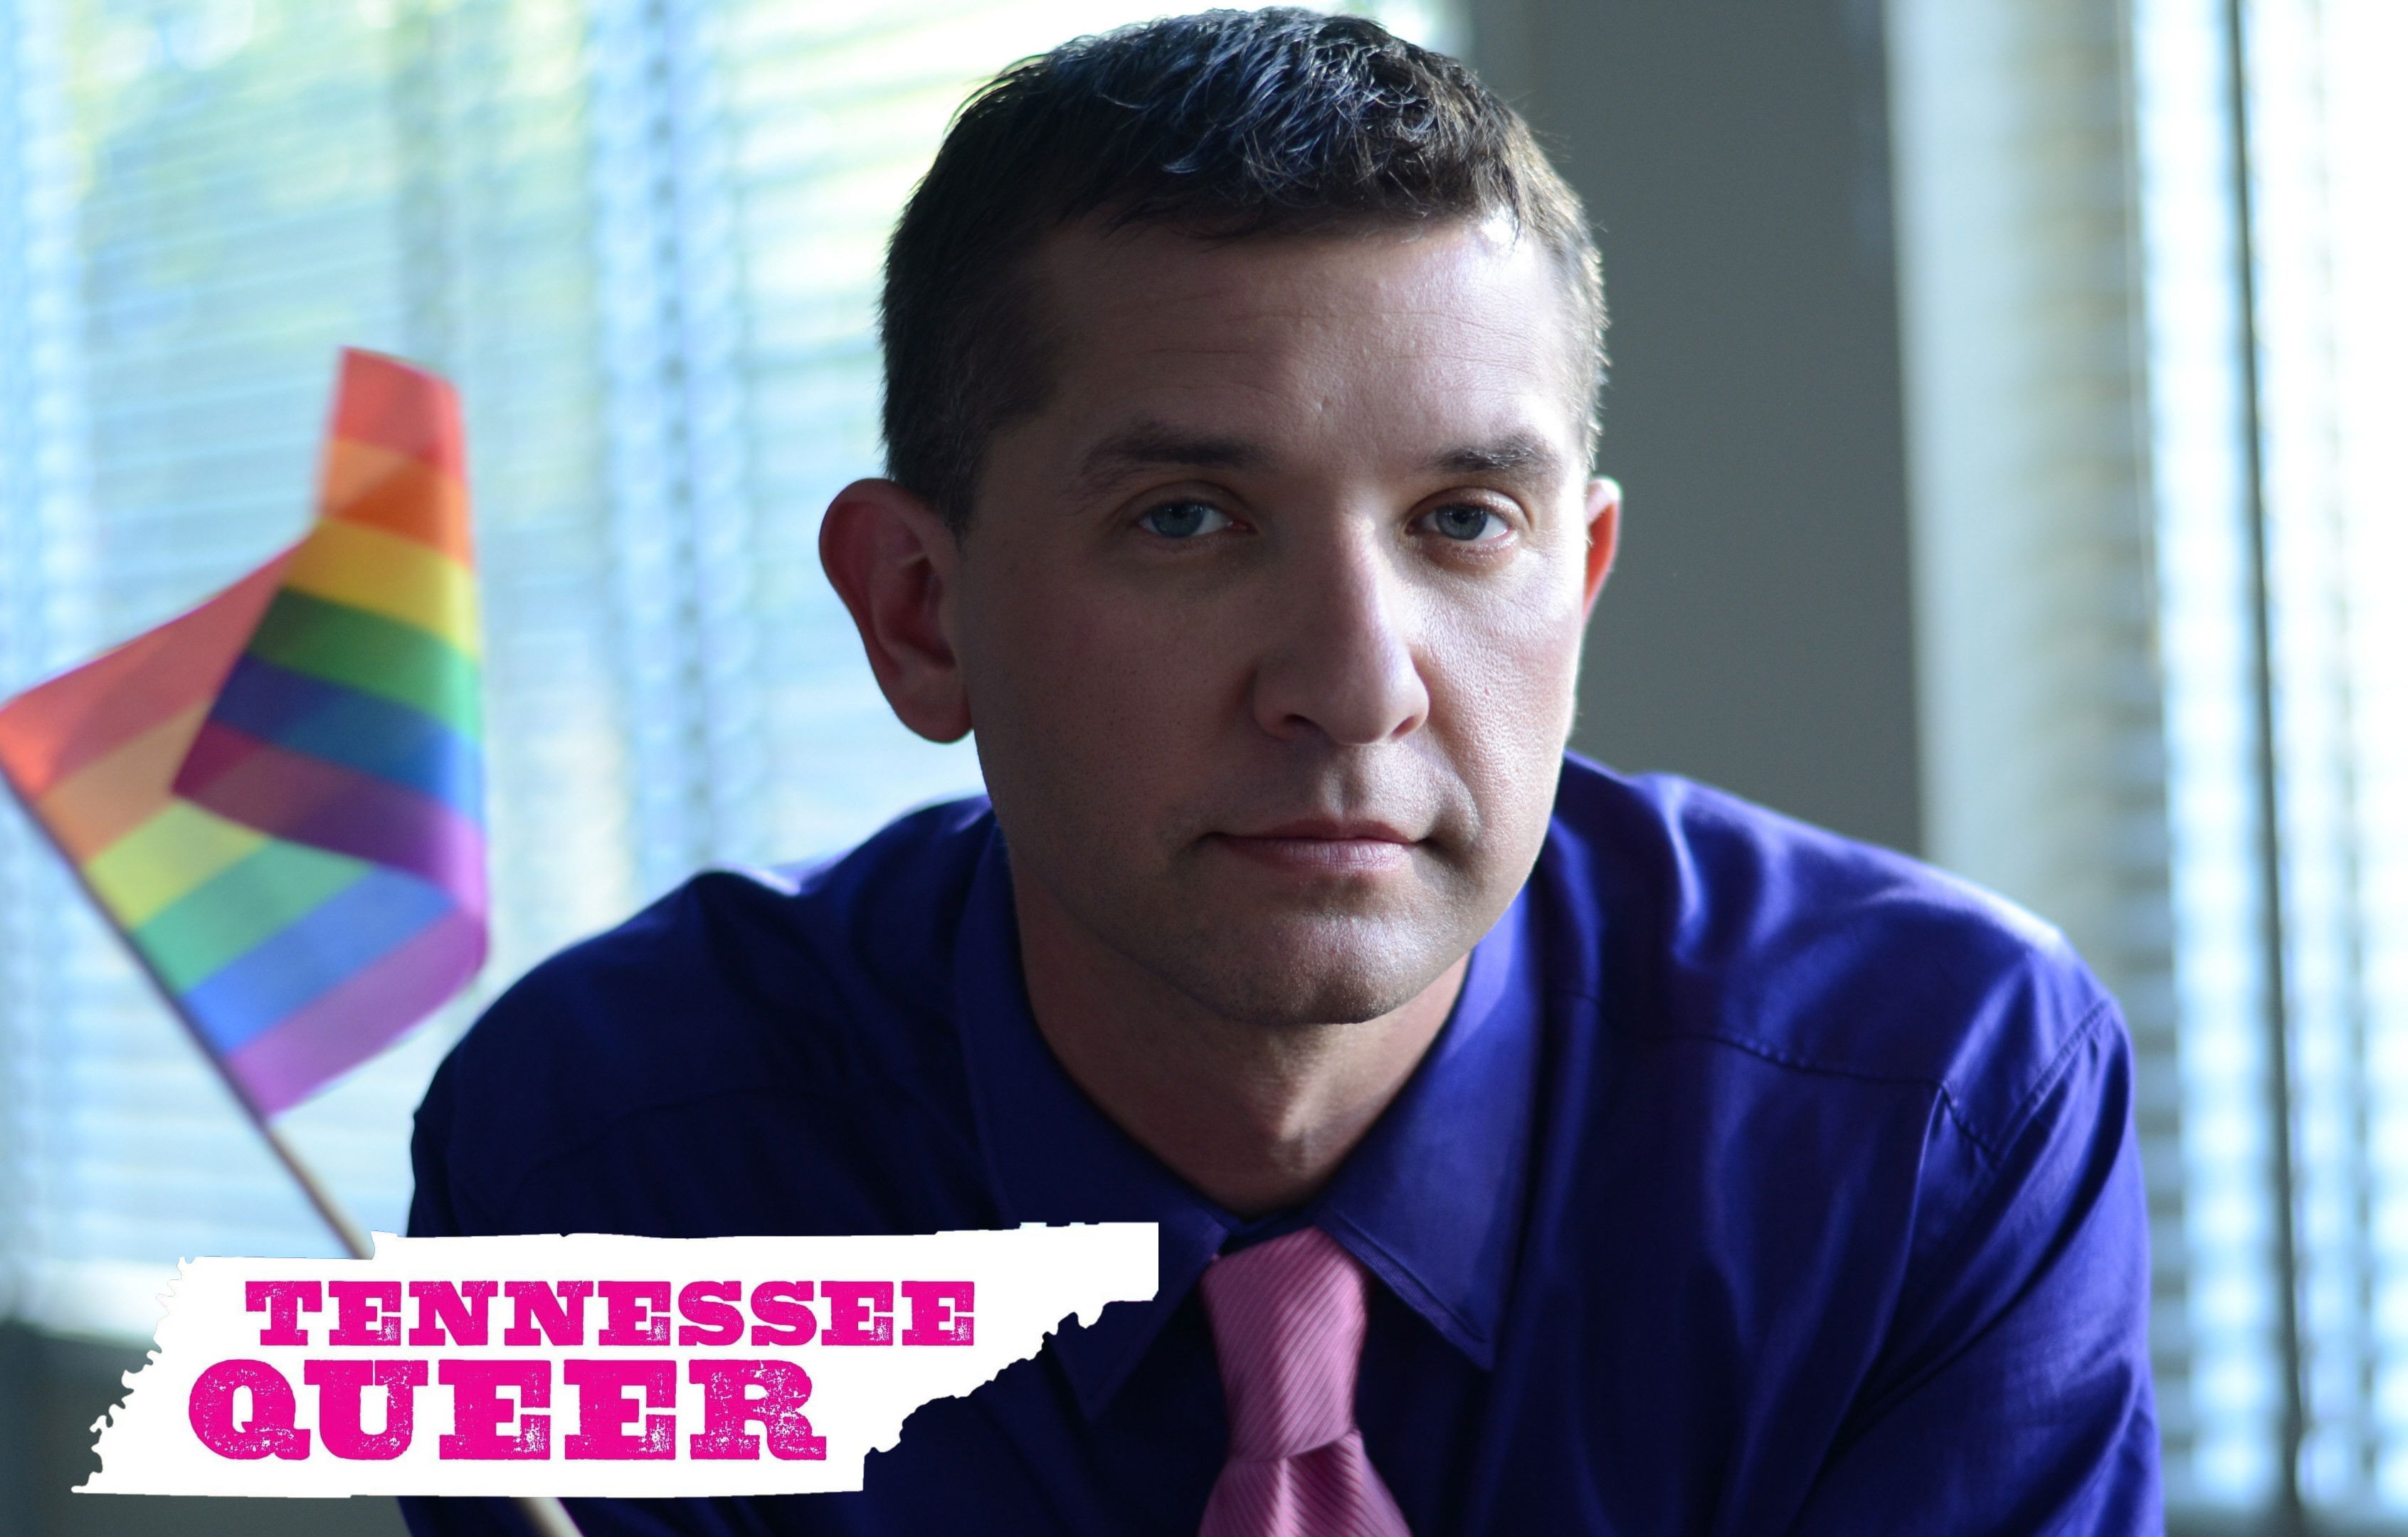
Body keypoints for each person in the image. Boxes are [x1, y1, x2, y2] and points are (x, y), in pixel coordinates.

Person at [401, 10, 2161, 1535]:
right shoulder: (607, 1180)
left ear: (1580, 582)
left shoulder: (1934, 1107)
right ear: (922, 613)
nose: (1355, 687)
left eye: (1465, 522)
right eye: (1188, 519)